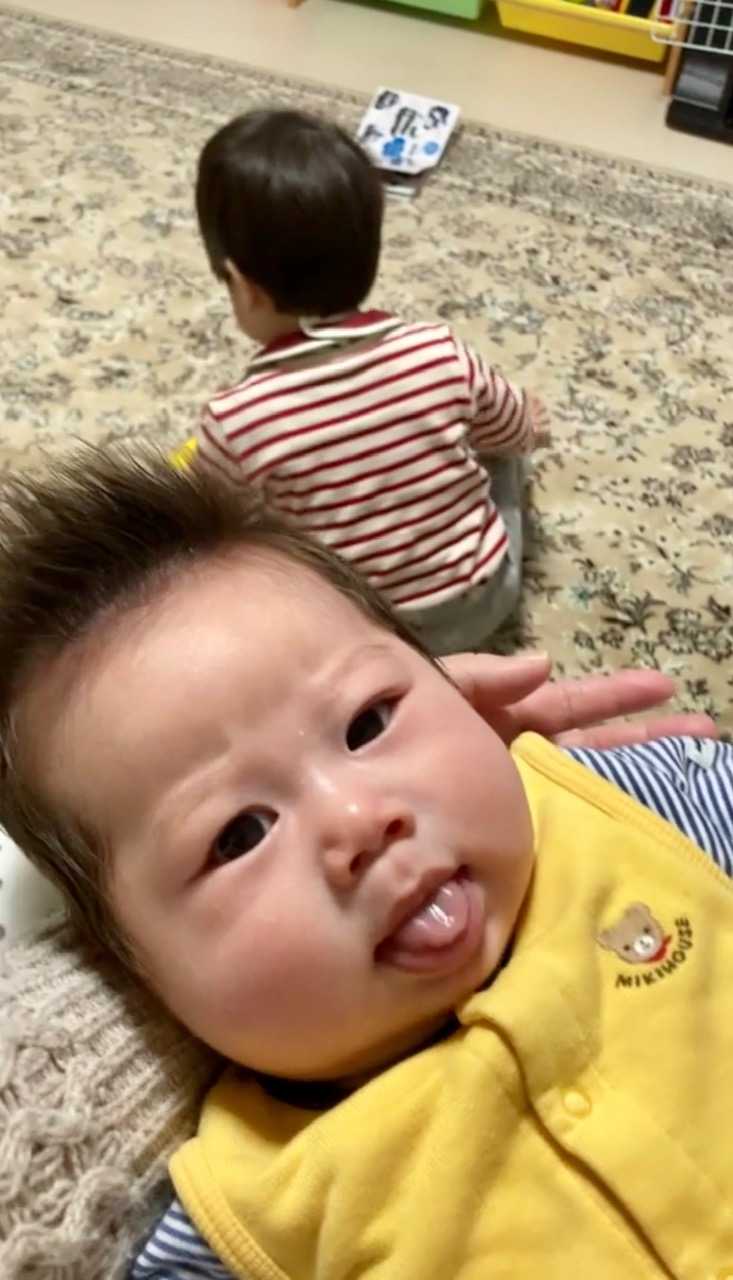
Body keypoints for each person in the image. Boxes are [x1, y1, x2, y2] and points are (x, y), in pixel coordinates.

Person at [0, 450, 729, 1280]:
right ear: (130, 970)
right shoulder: (247, 1214)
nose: (359, 822)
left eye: (368, 723)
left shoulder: (637, 804)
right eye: (238, 835)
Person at [177, 107, 551, 654]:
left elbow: (207, 525)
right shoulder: (437, 351)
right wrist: (528, 422)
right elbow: (513, 432)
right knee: (505, 441)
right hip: (481, 604)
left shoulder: (236, 420)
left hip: (356, 633)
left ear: (242, 284)